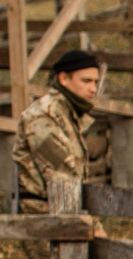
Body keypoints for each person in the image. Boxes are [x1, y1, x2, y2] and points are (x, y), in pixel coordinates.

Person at [12, 50, 113, 212]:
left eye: (95, 82)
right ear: (64, 79)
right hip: (43, 221)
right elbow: (62, 177)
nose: (93, 89)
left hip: (63, 216)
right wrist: (91, 225)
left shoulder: (67, 114)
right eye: (86, 81)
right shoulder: (43, 117)